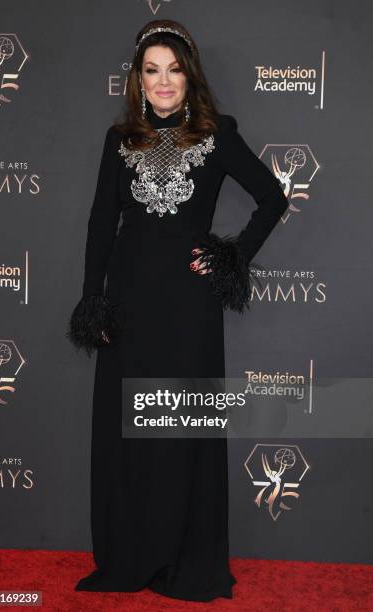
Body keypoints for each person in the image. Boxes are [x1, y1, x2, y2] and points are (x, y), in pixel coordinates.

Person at [67, 18, 289, 603]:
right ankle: (132, 555)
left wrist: (231, 255)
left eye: (174, 69)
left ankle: (185, 560)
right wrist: (94, 296)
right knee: (129, 434)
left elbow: (272, 197)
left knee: (180, 429)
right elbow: (99, 224)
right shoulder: (120, 140)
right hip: (128, 303)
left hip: (188, 308)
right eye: (151, 70)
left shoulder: (217, 134)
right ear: (138, 80)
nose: (163, 82)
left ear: (190, 76)